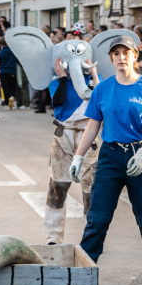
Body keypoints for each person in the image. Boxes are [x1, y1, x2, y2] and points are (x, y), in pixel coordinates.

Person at [71, 35, 142, 285]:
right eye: (116, 53)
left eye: (126, 53)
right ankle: (81, 279)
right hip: (110, 157)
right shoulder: (103, 89)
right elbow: (93, 125)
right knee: (96, 221)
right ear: (111, 58)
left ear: (134, 56)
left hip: (139, 155)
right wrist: (78, 157)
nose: (121, 57)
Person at [44, 52, 101, 245]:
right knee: (57, 186)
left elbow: (100, 99)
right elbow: (58, 101)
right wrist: (62, 77)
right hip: (63, 133)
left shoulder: (92, 81)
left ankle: (90, 236)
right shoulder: (57, 81)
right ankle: (53, 236)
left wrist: (93, 74)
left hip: (88, 133)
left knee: (90, 188)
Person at [0, 36, 18, 110]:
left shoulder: (1, 52)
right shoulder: (13, 52)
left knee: (5, 87)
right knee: (12, 86)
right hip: (12, 71)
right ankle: (12, 96)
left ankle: (6, 103)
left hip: (3, 71)